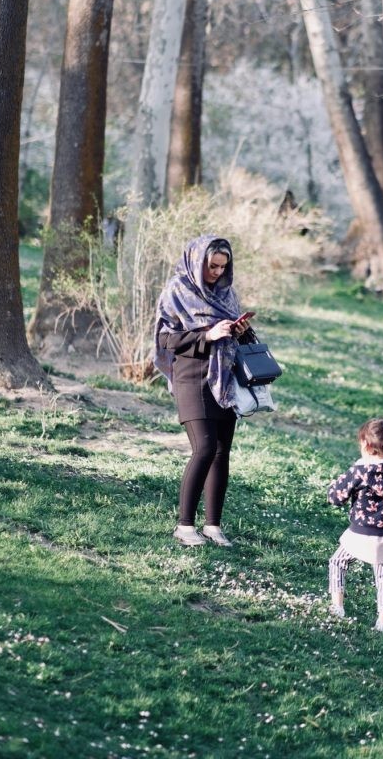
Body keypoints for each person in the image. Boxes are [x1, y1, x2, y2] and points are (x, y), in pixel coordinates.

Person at [154, 234, 251, 548]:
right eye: (212, 266)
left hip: (224, 379)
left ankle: (213, 526)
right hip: (192, 377)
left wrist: (239, 331)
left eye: (222, 267)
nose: (217, 273)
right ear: (197, 261)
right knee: (205, 448)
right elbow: (167, 340)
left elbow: (236, 338)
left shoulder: (226, 293)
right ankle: (184, 526)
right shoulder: (177, 290)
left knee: (222, 453)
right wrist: (208, 335)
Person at [327, 418, 383, 632]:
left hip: (360, 536)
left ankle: (337, 606)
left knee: (338, 562)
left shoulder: (359, 471)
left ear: (365, 443)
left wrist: (339, 480)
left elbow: (335, 498)